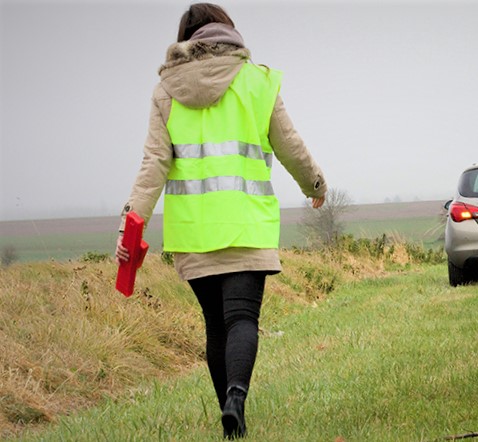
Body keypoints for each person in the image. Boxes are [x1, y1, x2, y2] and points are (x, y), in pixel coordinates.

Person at [115, 3, 327, 438]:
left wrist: (131, 223)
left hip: (193, 231)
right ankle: (236, 396)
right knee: (242, 319)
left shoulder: (165, 90)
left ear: (186, 39)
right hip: (247, 225)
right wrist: (316, 185)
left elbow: (153, 162)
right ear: (228, 33)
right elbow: (290, 146)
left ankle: (233, 424)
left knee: (216, 324)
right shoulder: (257, 81)